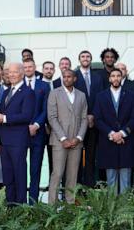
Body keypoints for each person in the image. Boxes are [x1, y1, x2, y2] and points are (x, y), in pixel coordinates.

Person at [0, 62, 35, 206]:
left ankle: (20, 207)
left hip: (18, 141)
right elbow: (0, 112)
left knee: (19, 175)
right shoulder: (5, 92)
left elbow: (27, 115)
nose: (11, 75)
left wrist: (4, 118)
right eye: (9, 72)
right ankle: (10, 207)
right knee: (8, 176)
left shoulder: (28, 92)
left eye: (14, 72)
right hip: (5, 141)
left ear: (22, 73)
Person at [94, 68, 134, 193]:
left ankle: (124, 210)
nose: (115, 78)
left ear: (122, 78)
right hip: (108, 141)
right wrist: (112, 134)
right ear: (109, 79)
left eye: (118, 76)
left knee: (126, 178)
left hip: (126, 141)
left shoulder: (131, 96)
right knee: (111, 178)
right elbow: (98, 119)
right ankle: (112, 209)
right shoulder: (101, 96)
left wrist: (122, 133)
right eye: (113, 76)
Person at [47, 69, 88, 204]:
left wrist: (79, 137)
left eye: (69, 76)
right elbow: (52, 118)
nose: (66, 79)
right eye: (64, 77)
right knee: (57, 174)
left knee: (72, 175)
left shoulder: (81, 95)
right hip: (60, 141)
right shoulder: (54, 93)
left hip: (76, 142)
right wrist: (63, 138)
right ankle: (51, 207)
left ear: (74, 78)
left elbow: (84, 119)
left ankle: (70, 206)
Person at [74, 50, 103, 187]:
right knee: (77, 156)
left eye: (88, 57)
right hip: (78, 122)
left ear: (91, 59)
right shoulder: (74, 76)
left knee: (91, 156)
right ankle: (78, 187)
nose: (85, 59)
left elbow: (101, 98)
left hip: (94, 122)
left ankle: (90, 187)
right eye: (83, 57)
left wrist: (93, 115)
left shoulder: (98, 77)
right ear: (79, 59)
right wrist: (84, 116)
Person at [23, 58, 50, 204]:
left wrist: (36, 125)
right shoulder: (18, 85)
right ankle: (20, 201)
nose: (27, 69)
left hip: (38, 134)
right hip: (21, 133)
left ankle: (33, 202)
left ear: (35, 67)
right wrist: (25, 127)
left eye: (30, 66)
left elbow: (46, 109)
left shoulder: (44, 86)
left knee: (35, 169)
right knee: (20, 167)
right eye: (25, 67)